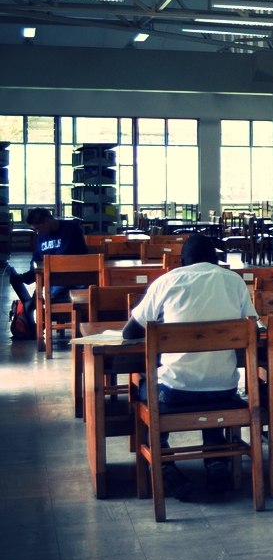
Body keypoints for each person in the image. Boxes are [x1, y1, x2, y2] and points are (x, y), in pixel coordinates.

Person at [121, 234, 257, 501]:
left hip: (175, 393)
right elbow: (253, 326)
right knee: (211, 385)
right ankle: (216, 461)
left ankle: (163, 465)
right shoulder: (234, 281)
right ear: (216, 259)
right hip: (224, 390)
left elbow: (129, 332)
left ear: (181, 262)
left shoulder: (167, 281)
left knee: (145, 388)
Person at [5, 207, 89, 339]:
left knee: (56, 293)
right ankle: (31, 312)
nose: (38, 231)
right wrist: (25, 277)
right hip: (55, 280)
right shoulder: (41, 236)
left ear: (46, 221)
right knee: (49, 293)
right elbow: (36, 260)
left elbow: (64, 256)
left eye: (38, 228)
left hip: (77, 278)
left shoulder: (71, 228)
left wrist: (47, 263)